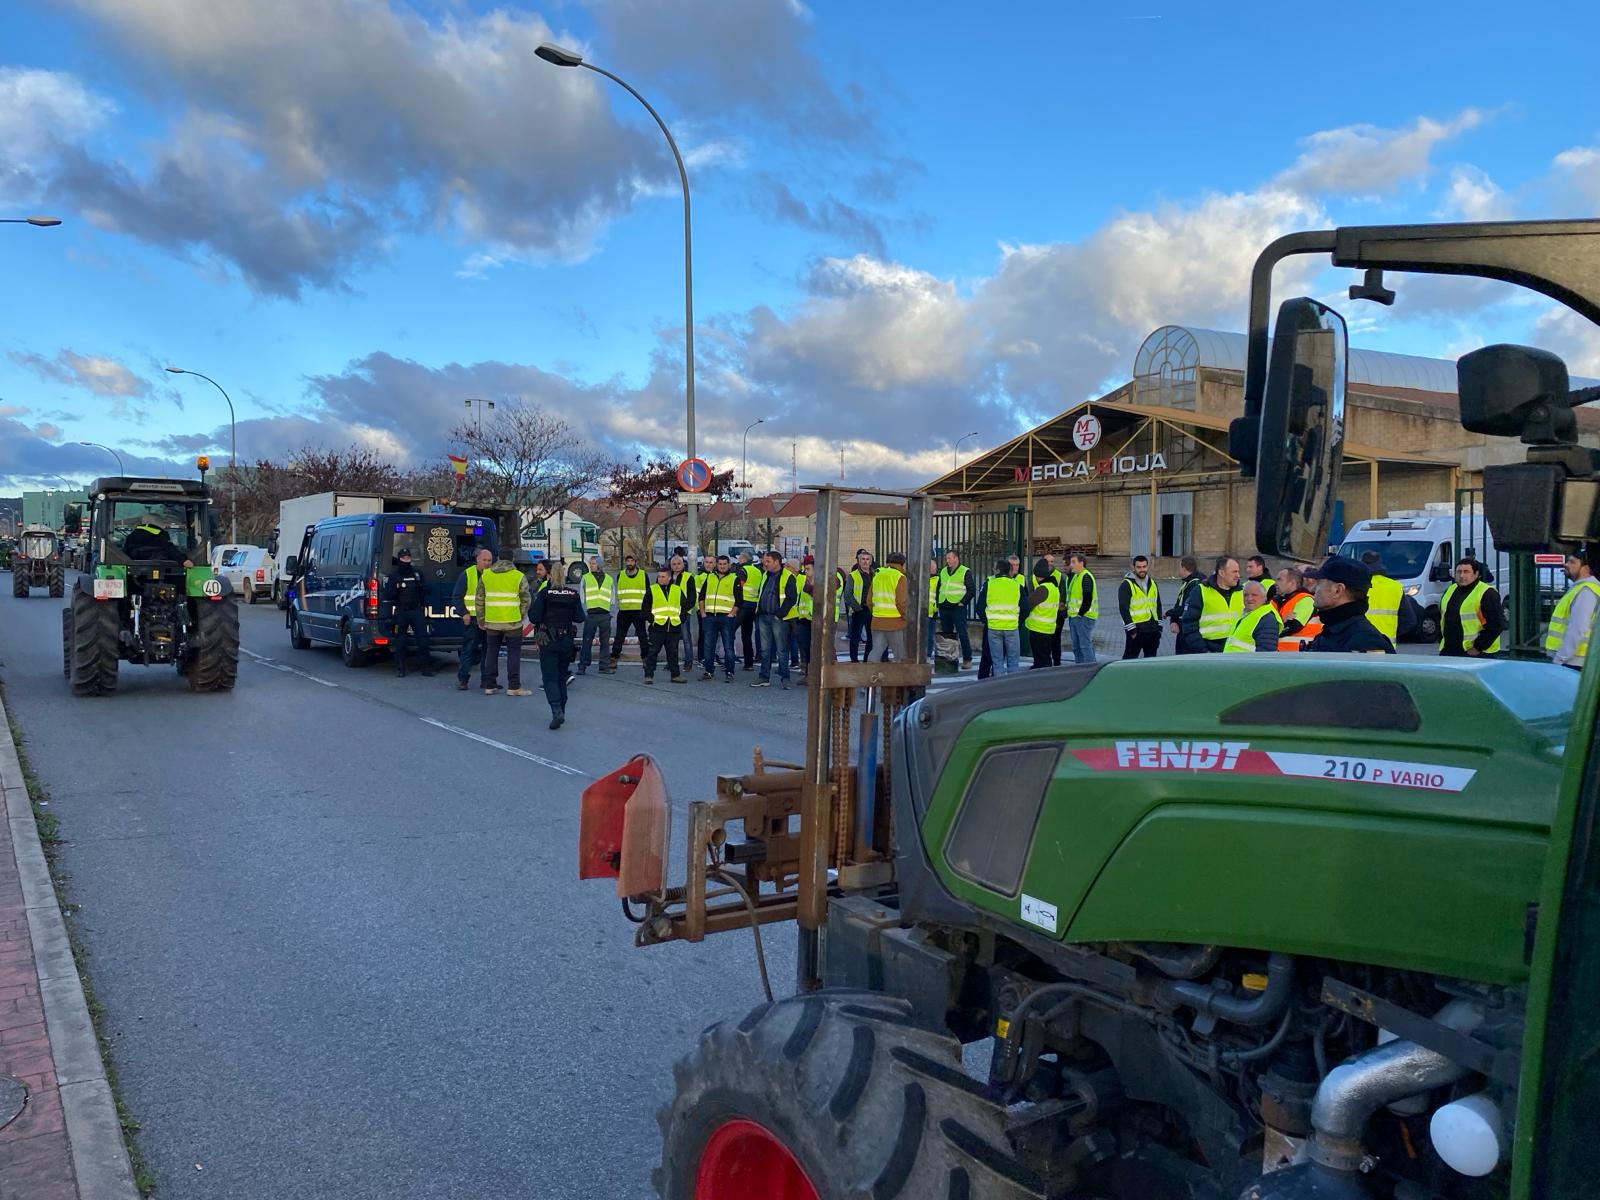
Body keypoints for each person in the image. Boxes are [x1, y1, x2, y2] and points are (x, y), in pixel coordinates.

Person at [1303, 557, 1395, 653]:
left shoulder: (1365, 642)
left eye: (1319, 584)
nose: (1312, 590)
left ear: (1338, 590)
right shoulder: (1335, 632)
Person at [530, 569, 581, 729]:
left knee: (549, 678)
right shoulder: (573, 594)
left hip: (548, 640)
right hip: (566, 640)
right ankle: (562, 711)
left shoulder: (545, 593)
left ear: (551, 576)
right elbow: (580, 617)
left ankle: (556, 710)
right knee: (561, 677)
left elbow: (534, 617)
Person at [476, 552, 533, 694]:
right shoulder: (518, 576)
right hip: (512, 621)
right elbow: (526, 599)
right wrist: (520, 615)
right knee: (513, 653)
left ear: (498, 559)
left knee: (491, 652)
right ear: (512, 560)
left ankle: (489, 685)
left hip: (492, 621)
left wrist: (481, 619)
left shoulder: (486, 575)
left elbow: (479, 599)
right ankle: (513, 686)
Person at [1439, 557, 1505, 657]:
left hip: (1477, 652)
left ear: (1476, 574)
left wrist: (1478, 647)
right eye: (1459, 572)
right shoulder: (1450, 590)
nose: (1462, 575)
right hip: (1449, 650)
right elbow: (1443, 618)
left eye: (1466, 572)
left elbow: (1496, 624)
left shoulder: (1486, 593)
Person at [752, 551, 799, 689]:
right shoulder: (765, 575)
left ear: (777, 562)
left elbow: (791, 597)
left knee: (781, 649)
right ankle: (764, 677)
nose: (764, 564)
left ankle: (785, 678)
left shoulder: (788, 577)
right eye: (764, 561)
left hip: (779, 618)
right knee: (765, 650)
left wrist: (780, 614)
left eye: (768, 561)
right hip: (764, 616)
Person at [1547, 552, 1600, 671]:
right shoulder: (1584, 589)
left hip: (1574, 661)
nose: (1565, 564)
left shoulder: (1586, 591)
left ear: (1586, 568)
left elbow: (1578, 628)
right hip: (1577, 659)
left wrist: (1560, 659)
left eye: (1572, 562)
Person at [1179, 555, 1242, 654]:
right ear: (1221, 573)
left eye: (1238, 571)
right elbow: (1189, 625)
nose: (1238, 575)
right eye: (1234, 572)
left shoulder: (1243, 592)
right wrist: (1203, 650)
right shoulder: (1200, 591)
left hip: (1235, 652)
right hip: (1208, 651)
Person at [386, 546, 434, 677]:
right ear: (399, 559)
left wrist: (422, 589)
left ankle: (426, 668)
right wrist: (397, 587)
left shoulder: (417, 574)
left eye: (408, 557)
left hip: (416, 610)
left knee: (423, 639)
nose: (406, 560)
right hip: (402, 610)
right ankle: (401, 669)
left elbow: (427, 590)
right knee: (400, 641)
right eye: (403, 558)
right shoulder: (394, 575)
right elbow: (388, 594)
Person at [452, 547, 493, 690]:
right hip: (473, 620)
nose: (487, 563)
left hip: (489, 619)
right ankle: (463, 680)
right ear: (477, 560)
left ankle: (486, 681)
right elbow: (457, 596)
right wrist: (463, 613)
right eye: (484, 560)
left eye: (489, 560)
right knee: (469, 650)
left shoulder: (493, 575)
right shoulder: (467, 574)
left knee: (488, 653)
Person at [698, 554, 739, 681]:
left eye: (724, 564)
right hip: (710, 617)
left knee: (728, 647)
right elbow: (702, 597)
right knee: (709, 646)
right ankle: (709, 671)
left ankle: (729, 672)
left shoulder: (734, 579)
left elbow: (739, 600)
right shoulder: (710, 577)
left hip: (726, 618)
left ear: (729, 565)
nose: (722, 566)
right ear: (717, 565)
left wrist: (732, 614)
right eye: (720, 564)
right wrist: (703, 613)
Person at [643, 566, 687, 685]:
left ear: (669, 577)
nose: (661, 579)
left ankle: (675, 675)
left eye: (663, 577)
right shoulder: (652, 589)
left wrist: (681, 618)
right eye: (659, 577)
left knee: (673, 652)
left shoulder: (677, 590)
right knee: (653, 652)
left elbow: (684, 605)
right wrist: (651, 619)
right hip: (657, 626)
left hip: (673, 626)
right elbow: (645, 607)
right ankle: (648, 675)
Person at [608, 553, 649, 669]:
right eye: (628, 561)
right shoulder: (620, 575)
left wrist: (646, 610)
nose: (629, 563)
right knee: (619, 636)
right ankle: (614, 658)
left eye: (632, 561)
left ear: (636, 562)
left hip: (638, 611)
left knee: (642, 636)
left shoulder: (643, 575)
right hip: (624, 611)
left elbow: (647, 594)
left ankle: (646, 658)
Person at [982, 558, 1022, 676]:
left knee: (997, 661)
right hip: (1011, 627)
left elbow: (979, 607)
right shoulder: (1016, 585)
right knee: (1013, 662)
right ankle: (1012, 687)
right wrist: (1017, 619)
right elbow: (1025, 607)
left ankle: (999, 688)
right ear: (1009, 570)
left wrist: (988, 620)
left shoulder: (989, 584)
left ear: (997, 570)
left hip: (994, 627)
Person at [1118, 555, 1162, 659]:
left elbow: (1158, 604)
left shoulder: (1153, 583)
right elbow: (1123, 609)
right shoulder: (1126, 585)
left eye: (1144, 566)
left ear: (1147, 567)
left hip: (1153, 630)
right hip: (1136, 630)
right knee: (1129, 661)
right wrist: (1131, 630)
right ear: (1133, 567)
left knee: (1151, 661)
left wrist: (1159, 627)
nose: (1142, 570)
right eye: (1139, 567)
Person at [577, 555, 614, 676]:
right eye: (591, 563)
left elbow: (613, 597)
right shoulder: (585, 578)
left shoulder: (609, 579)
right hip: (591, 614)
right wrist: (584, 612)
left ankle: (604, 666)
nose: (591, 565)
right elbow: (581, 597)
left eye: (593, 563)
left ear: (599, 565)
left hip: (604, 614)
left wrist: (611, 613)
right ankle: (582, 666)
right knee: (587, 641)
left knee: (605, 642)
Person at [936, 549, 974, 668]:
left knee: (962, 633)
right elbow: (939, 587)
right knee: (947, 635)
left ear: (956, 558)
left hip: (957, 607)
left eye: (949, 558)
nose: (947, 561)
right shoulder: (943, 571)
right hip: (944, 605)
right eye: (946, 558)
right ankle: (948, 659)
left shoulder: (965, 571)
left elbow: (971, 589)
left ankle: (967, 659)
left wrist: (963, 602)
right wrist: (938, 601)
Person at [870, 552, 910, 662]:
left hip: (877, 621)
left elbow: (869, 600)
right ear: (902, 564)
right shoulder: (900, 577)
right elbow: (901, 602)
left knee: (875, 652)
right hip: (895, 623)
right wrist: (906, 617)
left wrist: (876, 613)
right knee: (899, 655)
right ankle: (900, 677)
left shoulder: (878, 575)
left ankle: (869, 675)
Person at [1272, 565, 1322, 651]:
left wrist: (1274, 629)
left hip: (1299, 656)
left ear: (1292, 583)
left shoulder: (1306, 600)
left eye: (1279, 579)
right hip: (1279, 654)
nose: (1275, 583)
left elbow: (1294, 626)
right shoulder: (1276, 601)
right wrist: (1282, 621)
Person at [1359, 551, 1404, 645]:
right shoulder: (1395, 586)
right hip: (1387, 645)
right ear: (1381, 564)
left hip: (1360, 644)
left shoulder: (1355, 585)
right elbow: (1410, 620)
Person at [1224, 581, 1282, 652]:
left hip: (1245, 662)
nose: (1249, 598)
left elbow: (1266, 653)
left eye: (1254, 595)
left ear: (1264, 597)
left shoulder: (1266, 618)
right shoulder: (1247, 614)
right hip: (1234, 661)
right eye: (1246, 595)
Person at [1062, 552, 1098, 664]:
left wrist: (1080, 614)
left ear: (1081, 563)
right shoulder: (1075, 577)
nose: (1071, 565)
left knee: (1085, 646)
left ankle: (1089, 669)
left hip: (1084, 618)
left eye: (1073, 562)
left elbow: (1087, 598)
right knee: (1077, 647)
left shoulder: (1085, 576)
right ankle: (1080, 668)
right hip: (1075, 617)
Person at [1025, 561, 1061, 670]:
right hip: (1048, 628)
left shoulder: (1042, 589)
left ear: (1037, 575)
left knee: (1042, 658)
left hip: (1039, 628)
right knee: (1044, 656)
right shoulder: (1054, 588)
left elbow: (1028, 604)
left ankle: (1043, 677)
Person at [124, 516, 195, 565]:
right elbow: (169, 548)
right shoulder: (159, 534)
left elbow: (125, 551)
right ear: (158, 522)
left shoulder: (131, 536)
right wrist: (183, 560)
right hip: (161, 566)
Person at [1166, 556, 1202, 654]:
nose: (1179, 570)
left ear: (1184, 568)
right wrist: (1173, 621)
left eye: (1179, 567)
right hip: (1183, 627)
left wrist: (1168, 613)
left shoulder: (1195, 585)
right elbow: (1179, 603)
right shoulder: (1187, 583)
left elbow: (1186, 608)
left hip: (1190, 629)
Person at [845, 548, 874, 663]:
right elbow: (848, 594)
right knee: (855, 637)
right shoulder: (853, 575)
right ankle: (854, 659)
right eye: (863, 559)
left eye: (867, 559)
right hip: (859, 609)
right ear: (858, 561)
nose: (865, 562)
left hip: (872, 609)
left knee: (871, 637)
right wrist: (857, 607)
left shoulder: (875, 574)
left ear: (871, 561)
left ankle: (867, 659)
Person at [735, 551, 762, 671]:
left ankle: (730, 659)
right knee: (747, 635)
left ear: (743, 560)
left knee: (730, 631)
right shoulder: (757, 571)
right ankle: (749, 663)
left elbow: (739, 586)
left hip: (743, 604)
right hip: (753, 605)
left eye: (739, 559)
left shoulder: (742, 571)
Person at [791, 557, 814, 680]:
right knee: (804, 648)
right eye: (805, 569)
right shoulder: (803, 580)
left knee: (812, 649)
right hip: (802, 618)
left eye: (808, 569)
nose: (806, 571)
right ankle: (806, 673)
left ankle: (811, 674)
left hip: (814, 620)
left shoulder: (818, 583)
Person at [1043, 552, 1067, 666]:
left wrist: (1059, 615)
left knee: (1055, 641)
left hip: (1056, 615)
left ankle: (1057, 662)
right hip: (1042, 615)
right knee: (1045, 641)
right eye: (1048, 561)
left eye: (1052, 561)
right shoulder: (1037, 575)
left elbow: (1062, 597)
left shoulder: (1059, 577)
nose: (1050, 564)